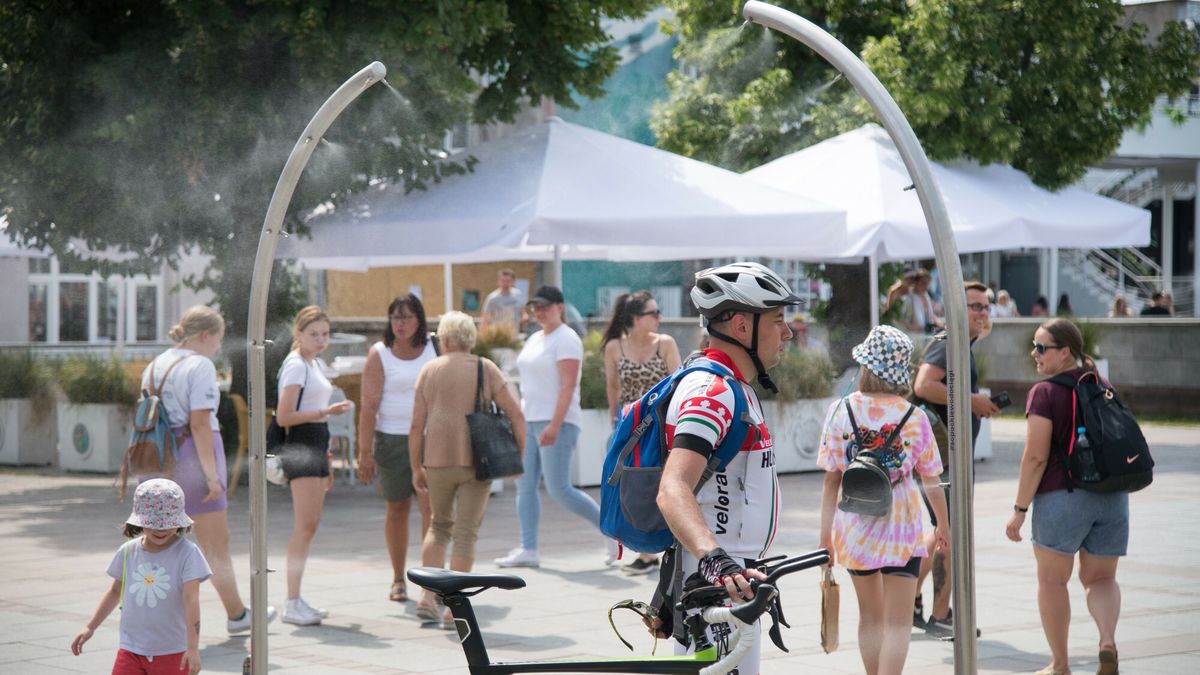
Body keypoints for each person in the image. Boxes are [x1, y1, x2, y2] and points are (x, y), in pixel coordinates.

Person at [656, 262, 802, 673]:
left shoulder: (733, 386)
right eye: (778, 320)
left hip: (734, 576)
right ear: (741, 326)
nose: (788, 332)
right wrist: (716, 560)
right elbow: (673, 488)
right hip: (718, 579)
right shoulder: (714, 392)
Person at [819, 325, 950, 675]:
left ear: (865, 364)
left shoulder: (840, 411)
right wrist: (943, 526)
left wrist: (824, 538)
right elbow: (931, 479)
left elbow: (832, 480)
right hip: (902, 528)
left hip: (854, 526)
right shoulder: (915, 417)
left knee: (870, 616)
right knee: (897, 621)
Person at [138, 305, 273, 634]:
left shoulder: (156, 365)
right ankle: (237, 614)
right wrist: (212, 477)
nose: (219, 347)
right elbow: (199, 422)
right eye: (218, 340)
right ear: (204, 335)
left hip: (155, 458)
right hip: (192, 460)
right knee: (215, 543)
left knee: (159, 542)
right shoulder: (199, 365)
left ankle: (156, 621)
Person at [1006, 318, 1125, 675]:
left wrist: (1019, 509)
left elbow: (1036, 456)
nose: (1035, 353)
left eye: (1042, 348)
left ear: (1065, 352)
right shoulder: (1103, 385)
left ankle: (1059, 664)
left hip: (1064, 495)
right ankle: (1107, 639)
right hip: (1112, 497)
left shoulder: (1045, 392)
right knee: (1101, 579)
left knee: (1052, 581)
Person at [410, 311, 525, 627]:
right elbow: (515, 414)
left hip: (436, 460)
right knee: (465, 533)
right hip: (477, 461)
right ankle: (453, 609)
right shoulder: (485, 368)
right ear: (471, 339)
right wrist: (519, 455)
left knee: (438, 525)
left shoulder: (429, 370)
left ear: (444, 339)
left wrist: (415, 466)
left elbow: (416, 424)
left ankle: (426, 597)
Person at [495, 285, 610, 568]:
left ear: (560, 307)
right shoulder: (535, 338)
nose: (540, 312)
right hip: (529, 420)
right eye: (536, 307)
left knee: (559, 489)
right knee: (524, 485)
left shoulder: (567, 338)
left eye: (545, 306)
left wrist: (555, 425)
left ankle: (612, 533)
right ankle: (528, 549)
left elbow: (568, 385)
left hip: (557, 421)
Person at [911, 281, 999, 639]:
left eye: (985, 307)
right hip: (944, 458)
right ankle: (941, 614)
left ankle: (909, 600)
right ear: (954, 309)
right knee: (952, 531)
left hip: (946, 456)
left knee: (941, 532)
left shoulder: (959, 344)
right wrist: (971, 400)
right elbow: (923, 385)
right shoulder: (947, 343)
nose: (982, 313)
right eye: (974, 306)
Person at [72, 479, 211, 675]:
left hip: (173, 651)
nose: (161, 530)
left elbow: (191, 599)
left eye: (167, 523)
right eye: (153, 523)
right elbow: (114, 591)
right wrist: (90, 627)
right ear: (139, 521)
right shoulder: (128, 551)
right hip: (131, 648)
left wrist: (193, 648)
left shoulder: (187, 553)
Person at [275, 305, 353, 626]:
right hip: (302, 445)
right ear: (299, 334)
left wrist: (328, 456)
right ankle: (292, 601)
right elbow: (284, 416)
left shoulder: (314, 362)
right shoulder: (295, 365)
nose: (321, 340)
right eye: (314, 334)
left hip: (317, 443)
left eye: (325, 334)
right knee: (304, 526)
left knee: (311, 524)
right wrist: (326, 413)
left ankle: (297, 599)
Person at [356, 294, 435, 603]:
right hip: (392, 439)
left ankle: (432, 581)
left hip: (431, 438)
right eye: (395, 318)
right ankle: (398, 577)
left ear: (420, 319)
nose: (400, 324)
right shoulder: (379, 353)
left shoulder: (434, 347)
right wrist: (365, 452)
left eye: (407, 317)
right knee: (397, 506)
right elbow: (368, 406)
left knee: (431, 510)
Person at [601, 291, 682, 575]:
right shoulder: (615, 347)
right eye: (653, 313)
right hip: (630, 426)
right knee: (633, 485)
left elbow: (679, 384)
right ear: (636, 318)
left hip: (661, 425)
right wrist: (615, 419)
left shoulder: (665, 344)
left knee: (663, 483)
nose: (659, 317)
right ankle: (646, 550)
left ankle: (664, 547)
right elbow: (613, 385)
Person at [897, 268, 944, 334]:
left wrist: (940, 323)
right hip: (914, 337)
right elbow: (902, 321)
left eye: (928, 284)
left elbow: (930, 315)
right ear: (916, 282)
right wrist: (913, 327)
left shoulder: (925, 295)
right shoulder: (909, 299)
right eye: (923, 283)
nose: (926, 287)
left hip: (926, 336)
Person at [480, 268, 525, 334]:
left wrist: (524, 316)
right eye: (503, 281)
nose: (505, 283)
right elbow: (485, 319)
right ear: (498, 281)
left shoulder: (518, 294)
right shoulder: (492, 298)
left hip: (514, 334)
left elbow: (522, 311)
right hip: (498, 336)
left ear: (513, 281)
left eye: (508, 281)